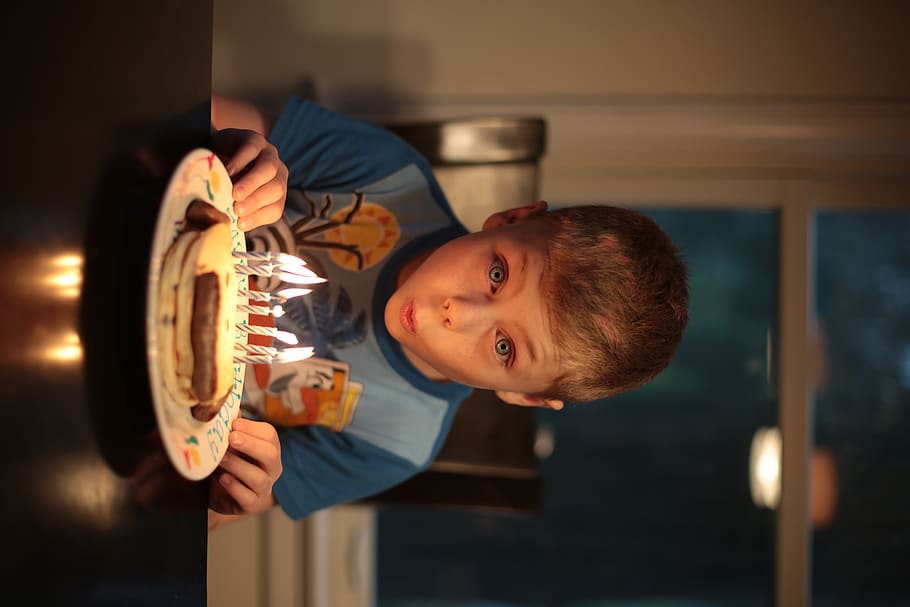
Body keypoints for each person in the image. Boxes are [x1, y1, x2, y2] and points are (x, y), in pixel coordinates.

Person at [206, 95, 689, 530]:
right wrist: (244, 156)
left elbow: (199, 514)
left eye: (505, 348)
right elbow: (194, 114)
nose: (458, 311)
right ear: (511, 219)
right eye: (496, 274)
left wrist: (239, 487)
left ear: (523, 397)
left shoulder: (394, 446)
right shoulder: (385, 173)